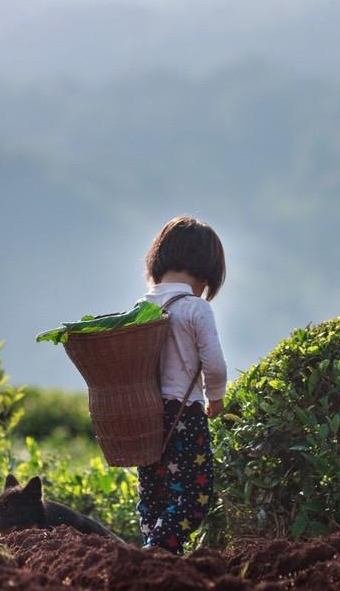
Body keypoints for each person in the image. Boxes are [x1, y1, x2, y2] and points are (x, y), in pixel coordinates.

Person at [136, 215, 227, 554]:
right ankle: (158, 550)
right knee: (192, 496)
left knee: (153, 494)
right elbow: (214, 365)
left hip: (145, 415)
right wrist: (216, 398)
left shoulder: (141, 307)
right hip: (183, 415)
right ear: (206, 273)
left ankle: (154, 550)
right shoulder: (195, 308)